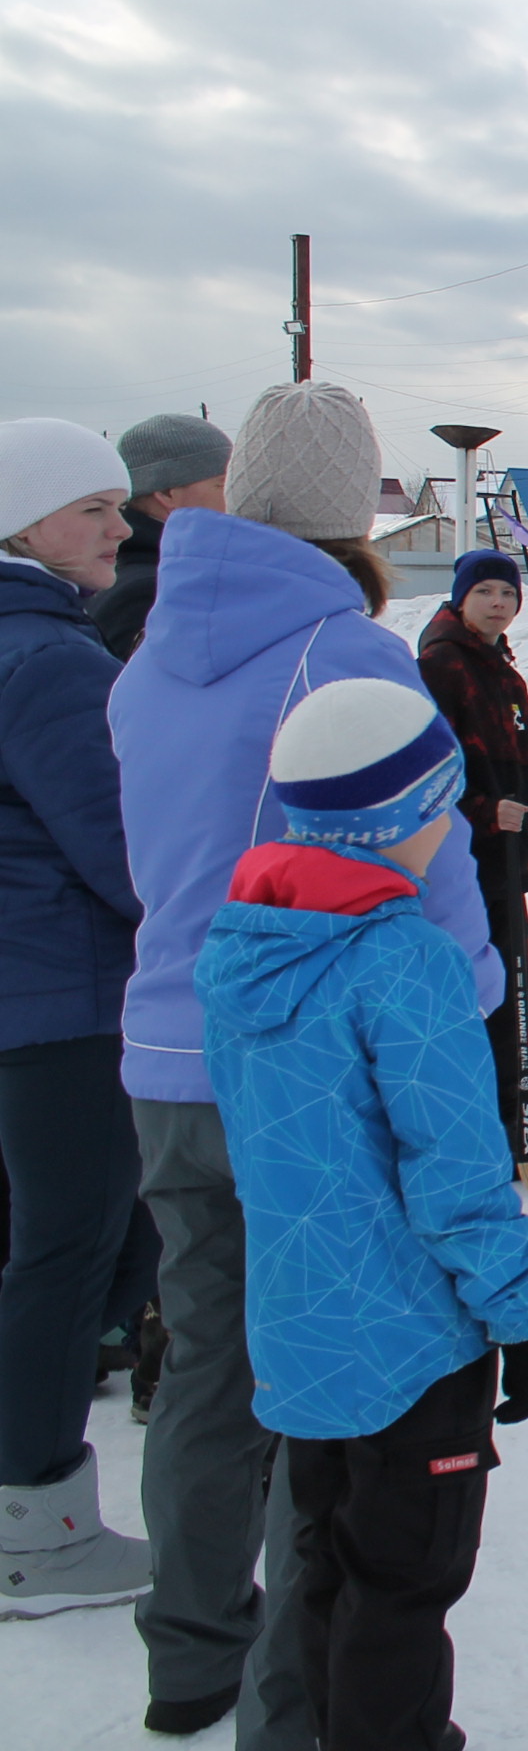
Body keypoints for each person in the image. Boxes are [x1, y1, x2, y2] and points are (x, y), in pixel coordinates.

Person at [109, 377, 503, 1742]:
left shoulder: (152, 654)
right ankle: (295, 1711)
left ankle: (188, 1655)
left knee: (207, 1364)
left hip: (169, 1051)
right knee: (325, 1388)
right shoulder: (348, 654)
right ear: (357, 507)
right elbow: (428, 887)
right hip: (306, 1080)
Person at [196, 679, 528, 1751]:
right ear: (402, 816)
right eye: (440, 804)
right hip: (412, 1344)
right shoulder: (406, 962)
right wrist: (521, 1317)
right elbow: (455, 1173)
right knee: (405, 1582)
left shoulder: (243, 945)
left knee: (325, 1566)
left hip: (302, 1330)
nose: (451, 824)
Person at [0, 421, 153, 1620]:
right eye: (94, 507)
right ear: (25, 523)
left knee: (43, 1246)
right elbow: (117, 845)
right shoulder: (51, 659)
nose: (120, 525)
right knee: (72, 1249)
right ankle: (36, 1529)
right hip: (67, 994)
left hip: (26, 986)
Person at [412, 549, 528, 1179]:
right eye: (484, 591)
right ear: (461, 598)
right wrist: (485, 811)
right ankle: (479, 1138)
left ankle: (516, 1131)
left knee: (516, 997)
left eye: (507, 594)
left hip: (507, 867)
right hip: (463, 868)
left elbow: (526, 755)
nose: (498, 603)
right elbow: (428, 766)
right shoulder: (441, 665)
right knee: (483, 1001)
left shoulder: (501, 669)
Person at [91, 413, 230, 662]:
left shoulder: (132, 572)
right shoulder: (149, 591)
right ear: (167, 493)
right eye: (221, 484)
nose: (232, 496)